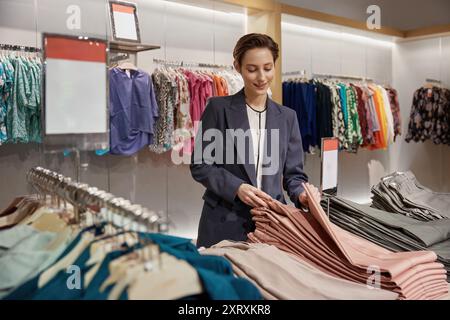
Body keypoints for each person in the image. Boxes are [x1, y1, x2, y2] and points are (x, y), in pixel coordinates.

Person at [190, 33, 321, 248]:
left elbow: (294, 176)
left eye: (268, 68)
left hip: (273, 224)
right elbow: (201, 165)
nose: (261, 77)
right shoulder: (218, 108)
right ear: (237, 67)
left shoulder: (288, 117)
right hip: (223, 221)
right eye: (252, 69)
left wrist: (303, 196)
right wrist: (237, 187)